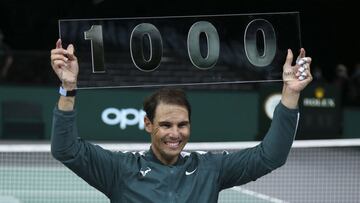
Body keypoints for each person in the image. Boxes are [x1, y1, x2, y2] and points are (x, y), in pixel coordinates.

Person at [50, 38, 312, 202]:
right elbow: (66, 150)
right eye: (165, 125)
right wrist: (68, 88)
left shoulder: (211, 168)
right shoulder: (120, 169)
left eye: (182, 125)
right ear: (148, 124)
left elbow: (271, 156)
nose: (175, 133)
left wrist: (289, 95)